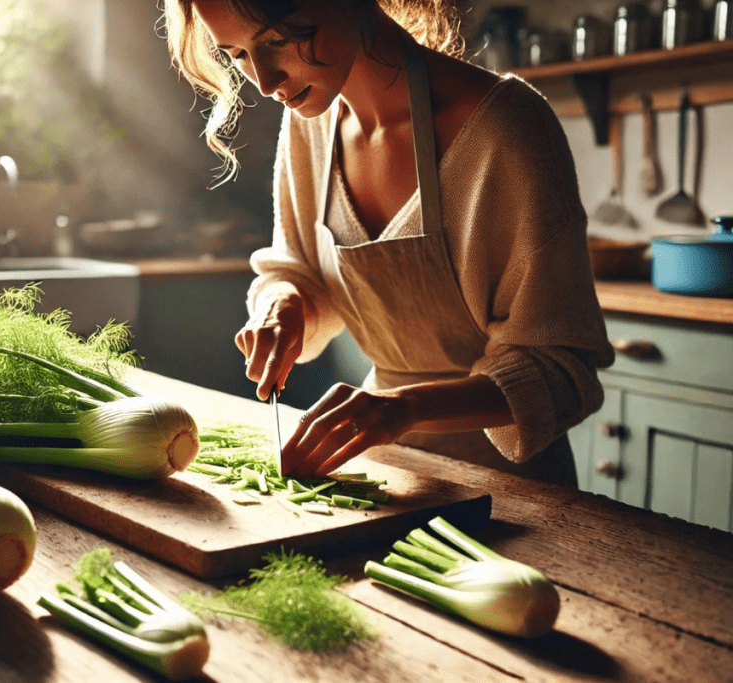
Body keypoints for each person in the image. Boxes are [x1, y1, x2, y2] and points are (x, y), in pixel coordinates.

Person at [163, 0, 615, 486]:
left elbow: (559, 370)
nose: (267, 82)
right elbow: (297, 271)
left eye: (276, 40)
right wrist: (285, 305)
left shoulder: (507, 128)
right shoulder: (308, 122)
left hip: (512, 488)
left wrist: (406, 408)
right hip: (388, 468)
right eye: (238, 55)